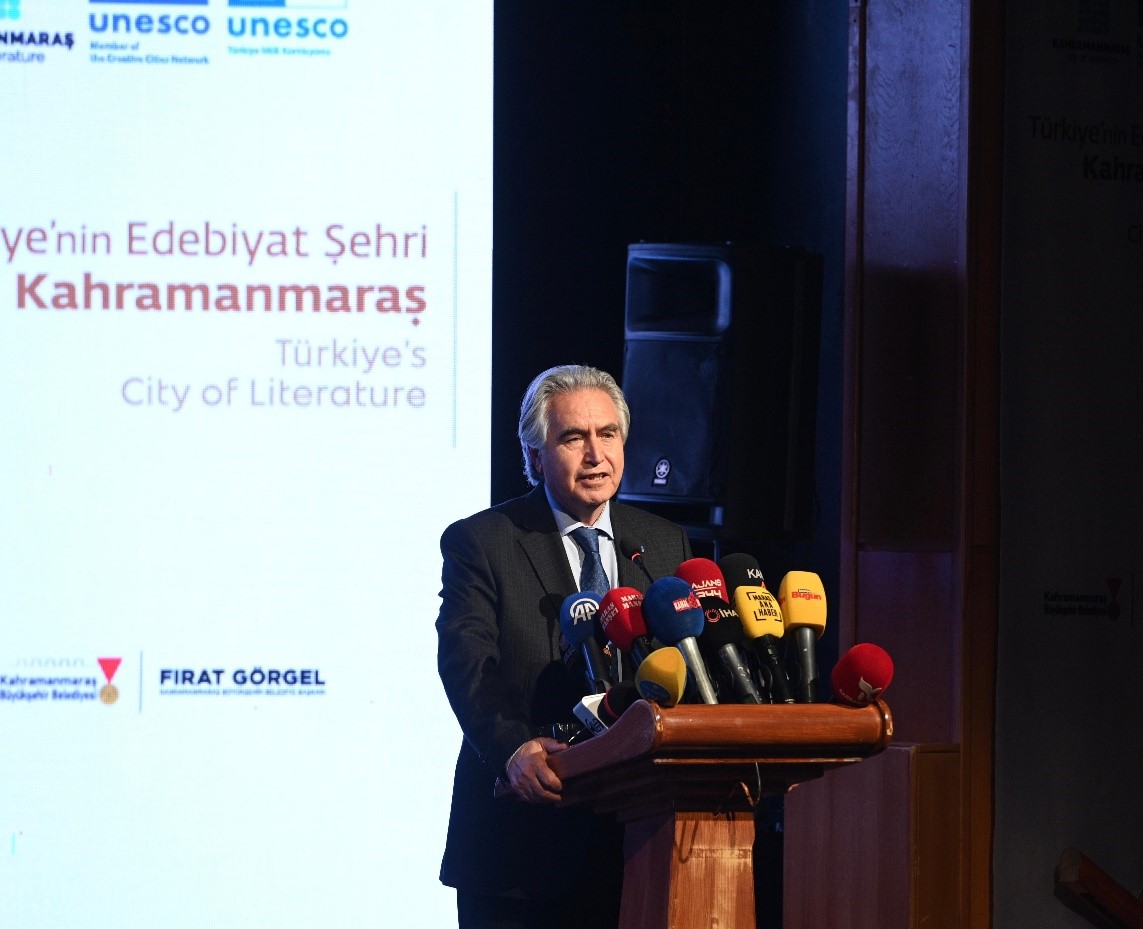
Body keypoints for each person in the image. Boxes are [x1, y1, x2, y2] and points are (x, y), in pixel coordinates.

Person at [435, 364, 693, 929]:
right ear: (534, 455)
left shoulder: (664, 543)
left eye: (608, 434)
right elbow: (467, 663)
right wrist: (512, 748)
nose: (595, 454)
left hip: (639, 843)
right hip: (522, 844)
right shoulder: (483, 542)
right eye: (574, 437)